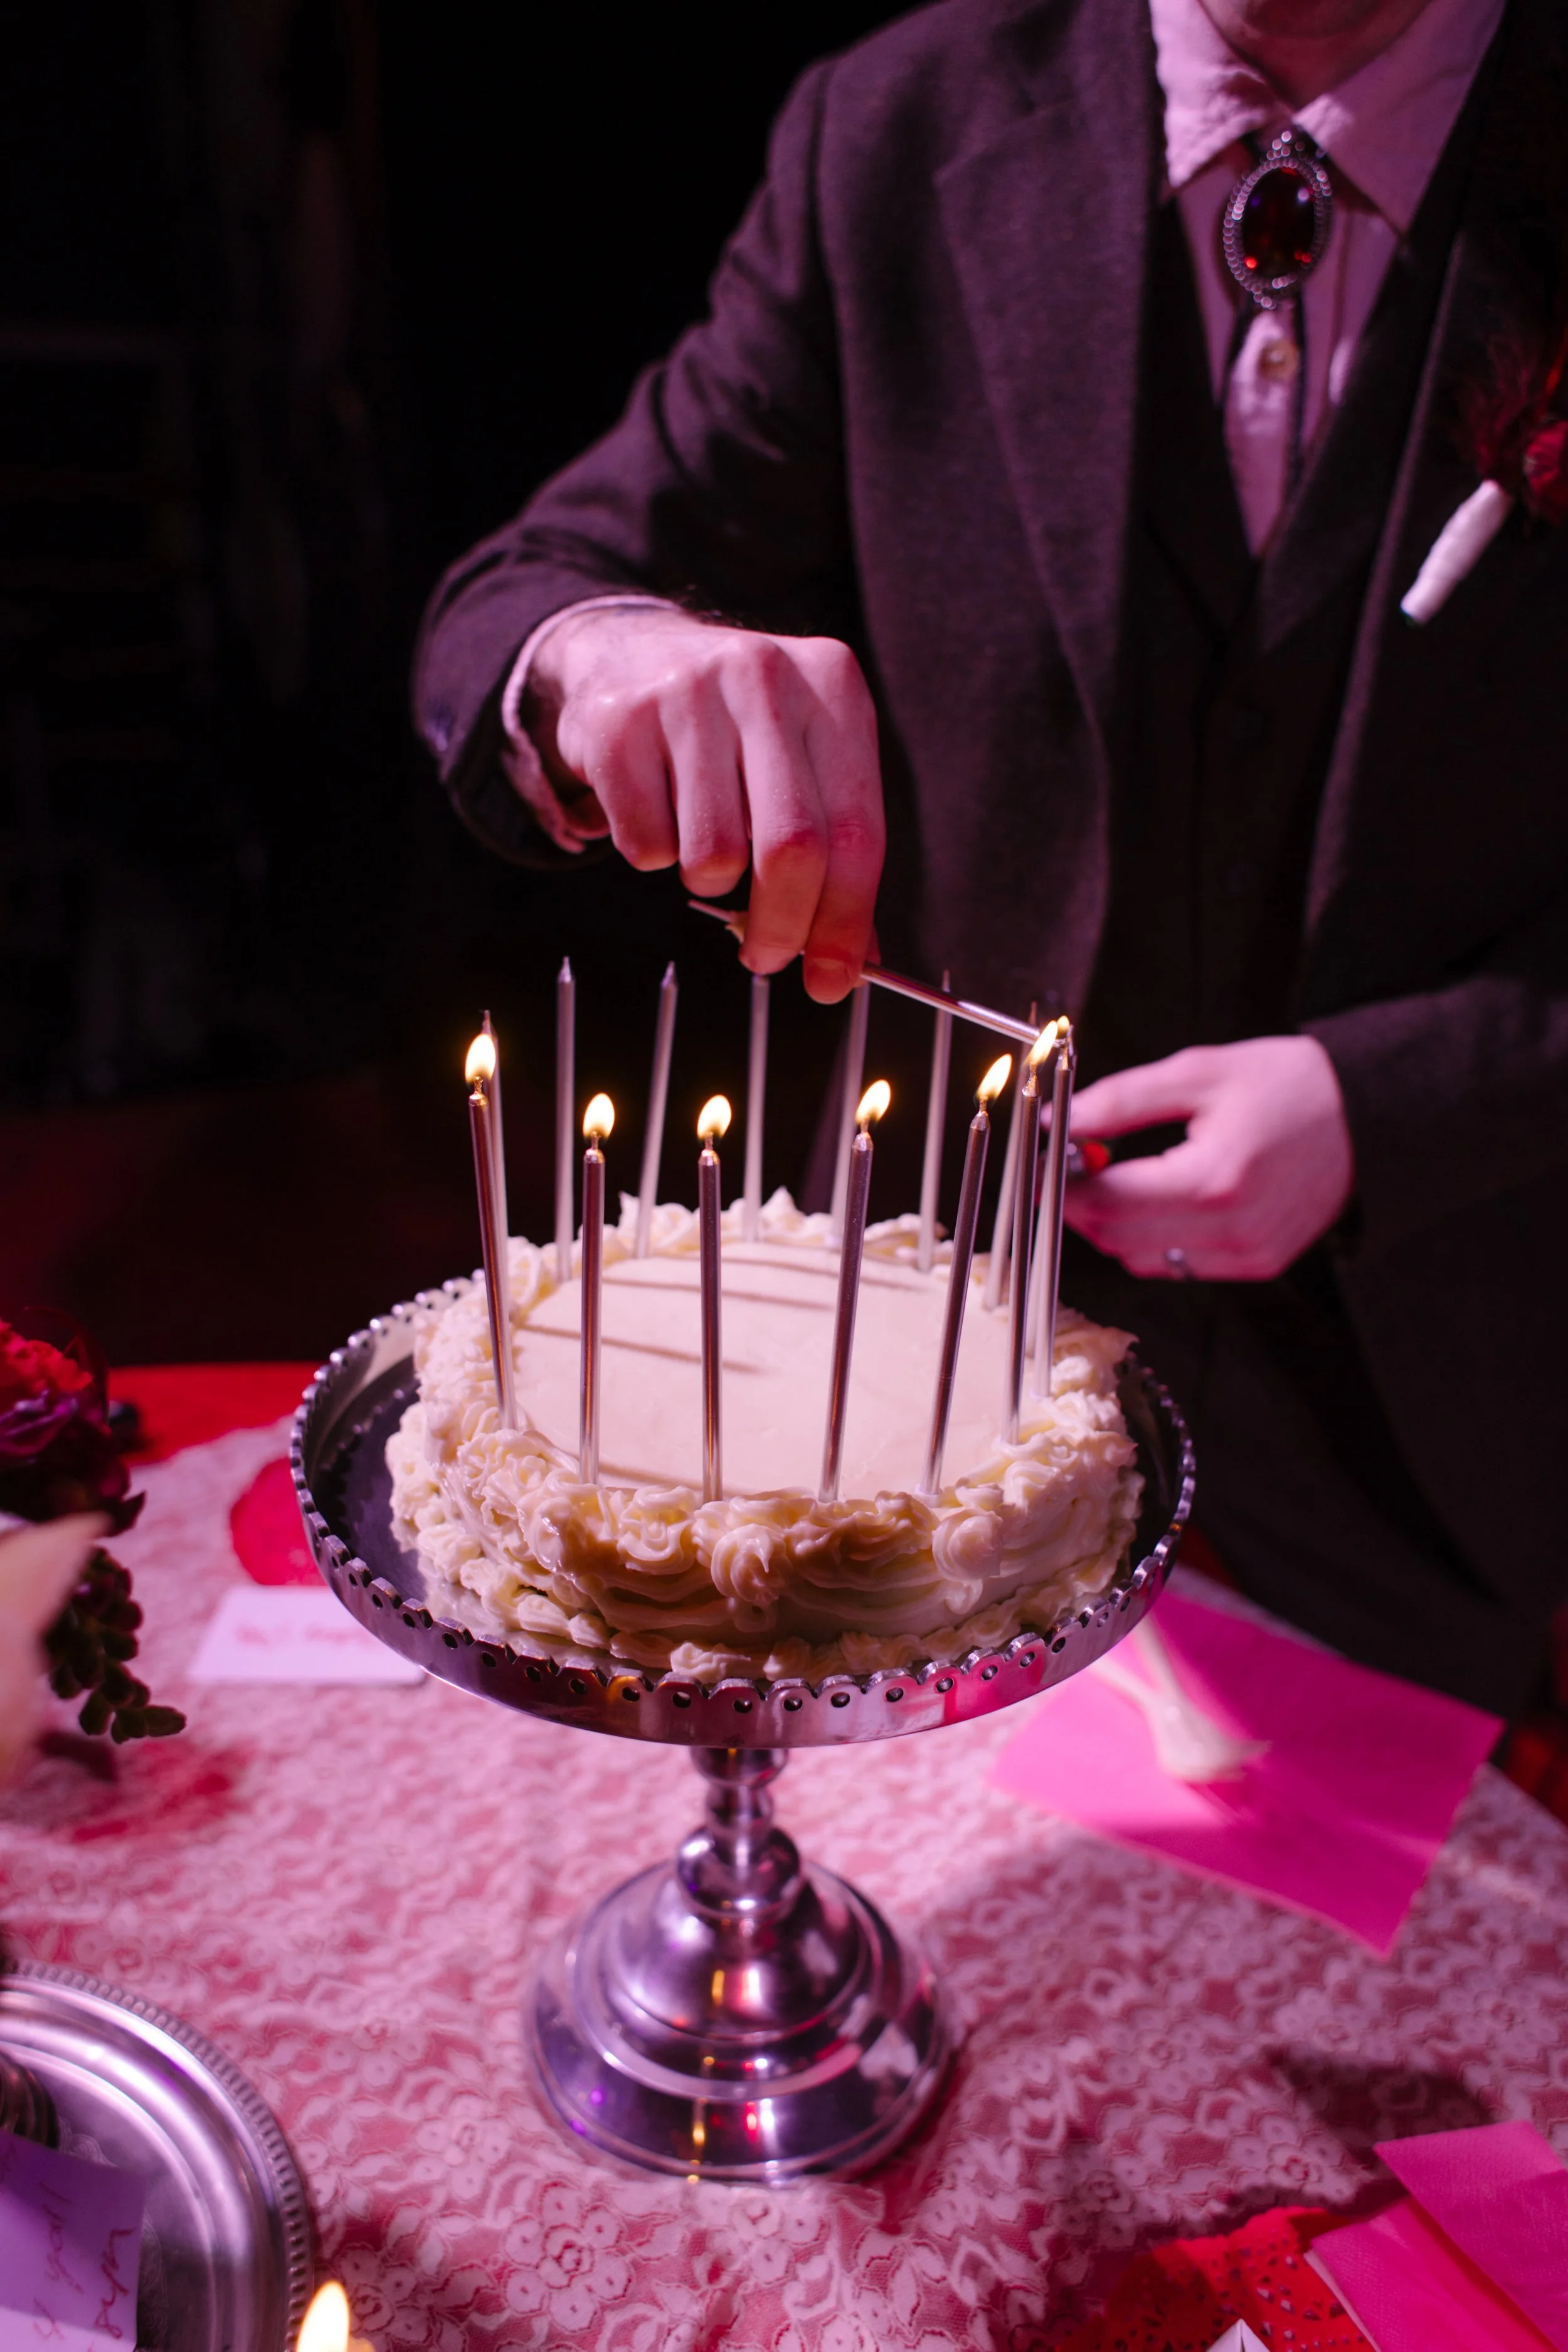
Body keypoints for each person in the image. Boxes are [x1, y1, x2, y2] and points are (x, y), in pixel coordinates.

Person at [412, 0, 1568, 1716]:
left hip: (1435, 1430)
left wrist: (1394, 1102)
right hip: (892, 1402)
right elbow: (524, 589)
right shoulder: (895, 125)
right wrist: (599, 654)